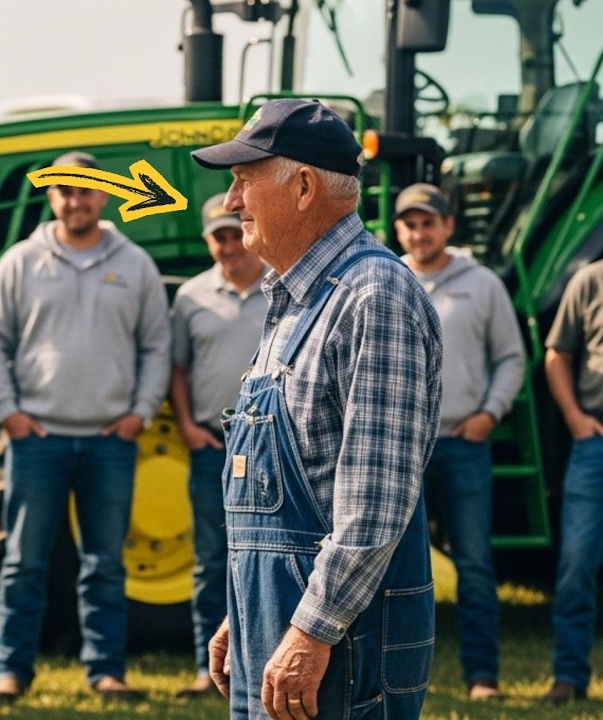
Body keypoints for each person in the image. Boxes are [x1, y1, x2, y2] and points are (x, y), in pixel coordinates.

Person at [191, 99, 442, 720]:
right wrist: (244, 611)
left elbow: (372, 503)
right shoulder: (299, 299)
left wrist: (310, 632)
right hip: (283, 627)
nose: (231, 202)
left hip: (343, 649)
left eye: (245, 179)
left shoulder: (374, 296)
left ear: (303, 186)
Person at [0, 151, 171, 703]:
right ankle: (11, 671)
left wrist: (140, 413)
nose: (75, 201)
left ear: (103, 195)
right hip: (37, 439)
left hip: (111, 438)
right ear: (51, 197)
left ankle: (106, 670)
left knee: (105, 564)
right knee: (22, 562)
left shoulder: (134, 265)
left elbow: (157, 345)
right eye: (64, 191)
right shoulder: (20, 262)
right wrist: (9, 413)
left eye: (85, 190)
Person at [395, 183, 524, 702]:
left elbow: (511, 358)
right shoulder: (391, 278)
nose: (419, 232)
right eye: (410, 224)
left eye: (429, 222)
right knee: (391, 565)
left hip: (463, 444)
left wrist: (490, 413)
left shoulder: (484, 284)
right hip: (403, 450)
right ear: (400, 230)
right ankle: (397, 680)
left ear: (449, 226)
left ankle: (482, 678)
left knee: (473, 564)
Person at [168, 193, 265, 698]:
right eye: (217, 238)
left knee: (273, 555)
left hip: (272, 447)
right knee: (211, 558)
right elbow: (178, 368)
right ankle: (209, 671)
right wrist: (186, 423)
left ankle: (267, 663)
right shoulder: (190, 297)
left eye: (233, 234)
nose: (227, 246)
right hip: (211, 443)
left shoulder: (282, 286)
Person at [542, 256, 603, 703]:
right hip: (594, 441)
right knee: (576, 565)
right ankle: (569, 677)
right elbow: (558, 353)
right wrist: (574, 417)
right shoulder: (590, 279)